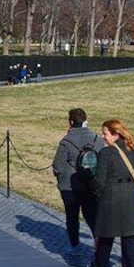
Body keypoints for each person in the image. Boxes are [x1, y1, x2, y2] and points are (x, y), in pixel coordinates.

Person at [89, 119, 134, 267]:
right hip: (132, 199)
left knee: (106, 237)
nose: (102, 136)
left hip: (111, 198)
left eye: (105, 133)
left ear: (115, 135)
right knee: (130, 239)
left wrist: (93, 188)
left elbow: (99, 182)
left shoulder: (106, 154)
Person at [52, 108, 104, 255]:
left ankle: (75, 246)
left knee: (72, 217)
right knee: (92, 216)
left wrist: (61, 176)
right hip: (91, 184)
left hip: (70, 186)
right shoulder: (97, 139)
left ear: (70, 122)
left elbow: (57, 166)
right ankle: (99, 245)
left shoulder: (66, 141)